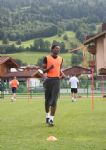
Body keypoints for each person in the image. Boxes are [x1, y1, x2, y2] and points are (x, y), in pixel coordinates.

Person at [42, 45, 65, 127]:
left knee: (54, 100)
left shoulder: (61, 59)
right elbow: (43, 70)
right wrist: (49, 68)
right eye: (56, 48)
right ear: (52, 49)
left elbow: (59, 69)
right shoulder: (46, 58)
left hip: (56, 80)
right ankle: (47, 115)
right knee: (47, 101)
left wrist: (62, 74)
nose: (58, 50)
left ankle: (51, 119)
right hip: (48, 80)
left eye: (59, 49)